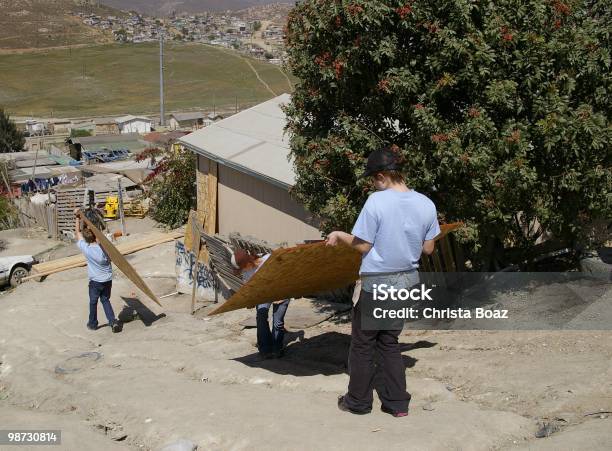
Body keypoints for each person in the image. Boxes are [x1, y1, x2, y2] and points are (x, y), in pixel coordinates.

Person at [327, 144, 440, 417]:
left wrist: (340, 235)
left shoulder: (377, 202)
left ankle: (358, 402)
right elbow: (428, 249)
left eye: (372, 179)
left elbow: (363, 246)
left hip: (377, 283)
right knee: (389, 342)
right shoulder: (426, 203)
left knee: (363, 344)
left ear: (381, 176)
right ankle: (397, 404)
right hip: (406, 284)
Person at [231, 248, 290, 358]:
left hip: (281, 290)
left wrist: (281, 293)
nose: (241, 271)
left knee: (277, 322)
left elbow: (284, 272)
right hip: (264, 294)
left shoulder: (268, 259)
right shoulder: (246, 273)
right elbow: (250, 289)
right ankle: (265, 349)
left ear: (248, 262)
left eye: (242, 268)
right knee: (261, 316)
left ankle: (277, 348)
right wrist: (250, 301)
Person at [75, 209, 121, 333]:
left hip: (95, 282)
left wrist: (77, 217)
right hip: (107, 280)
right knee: (105, 300)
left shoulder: (86, 249)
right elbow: (103, 238)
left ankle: (93, 323)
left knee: (93, 302)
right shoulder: (105, 248)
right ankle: (113, 322)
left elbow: (77, 233)